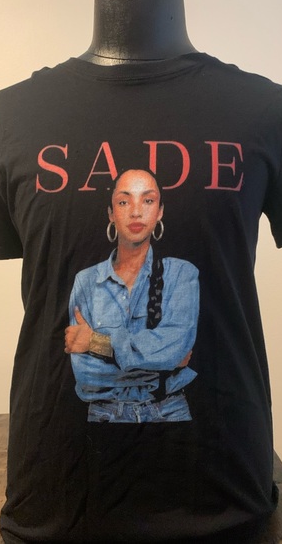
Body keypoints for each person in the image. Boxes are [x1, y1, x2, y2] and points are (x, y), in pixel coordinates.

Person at [64, 169, 200, 423]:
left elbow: (175, 349)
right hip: (104, 416)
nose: (136, 212)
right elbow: (86, 374)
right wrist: (162, 365)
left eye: (147, 200)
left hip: (170, 412)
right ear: (111, 213)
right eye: (124, 202)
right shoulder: (86, 281)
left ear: (160, 211)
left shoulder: (181, 274)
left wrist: (94, 342)